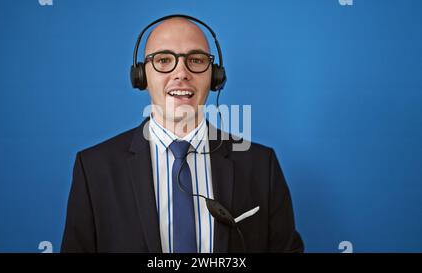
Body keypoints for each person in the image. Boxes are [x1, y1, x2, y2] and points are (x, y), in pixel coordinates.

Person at [61, 14, 304, 253]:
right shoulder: (94, 169)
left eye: (196, 60)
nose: (181, 74)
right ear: (141, 76)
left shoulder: (261, 165)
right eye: (164, 60)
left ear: (215, 76)